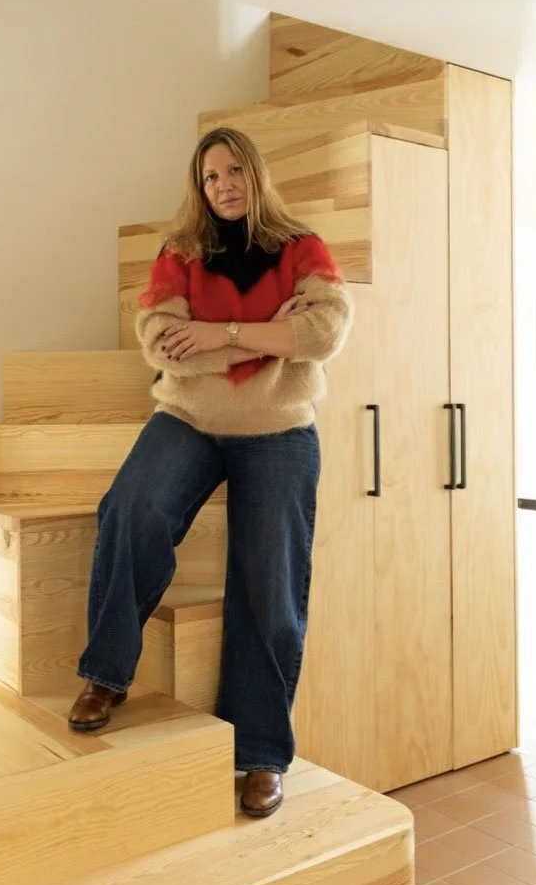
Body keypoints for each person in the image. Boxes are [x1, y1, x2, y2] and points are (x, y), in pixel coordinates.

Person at [67, 126, 353, 817]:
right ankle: (106, 674)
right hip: (189, 421)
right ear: (200, 188)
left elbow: (326, 333)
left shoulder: (302, 248)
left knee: (269, 585)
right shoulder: (179, 253)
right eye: (210, 176)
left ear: (255, 174)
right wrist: (267, 335)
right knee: (130, 508)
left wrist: (221, 333)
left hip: (279, 431)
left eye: (234, 171)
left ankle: (259, 754)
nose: (223, 184)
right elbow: (161, 345)